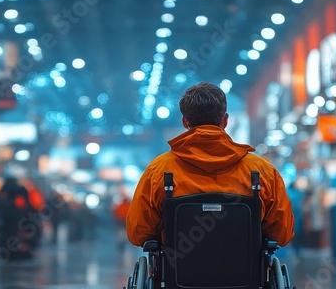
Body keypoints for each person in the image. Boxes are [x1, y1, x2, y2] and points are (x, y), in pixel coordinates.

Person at [126, 82, 295, 249]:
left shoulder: (159, 170)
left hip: (178, 272)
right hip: (245, 273)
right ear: (226, 120)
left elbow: (138, 233)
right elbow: (282, 234)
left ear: (185, 122)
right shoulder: (261, 170)